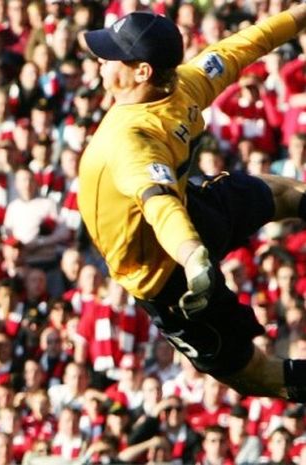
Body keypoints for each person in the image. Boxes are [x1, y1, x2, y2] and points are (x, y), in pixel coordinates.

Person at [78, 5, 306, 402]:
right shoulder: (186, 85)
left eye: (112, 55)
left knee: (254, 376)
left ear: (142, 71)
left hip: (167, 277)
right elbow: (245, 45)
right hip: (197, 214)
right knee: (284, 194)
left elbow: (159, 204)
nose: (101, 61)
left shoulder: (127, 138)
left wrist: (192, 257)